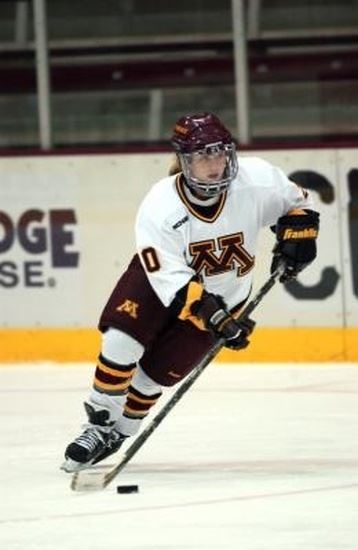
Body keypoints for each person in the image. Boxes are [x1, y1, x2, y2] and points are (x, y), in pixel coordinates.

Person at [62, 112, 319, 473]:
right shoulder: (160, 204)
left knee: (156, 375)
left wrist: (299, 235)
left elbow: (298, 205)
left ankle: (119, 433)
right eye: (202, 156)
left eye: (220, 154)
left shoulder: (257, 179)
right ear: (184, 161)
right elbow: (173, 281)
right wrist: (216, 318)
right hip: (161, 282)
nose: (215, 165)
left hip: (225, 297)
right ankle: (98, 423)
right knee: (121, 341)